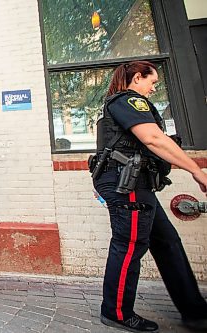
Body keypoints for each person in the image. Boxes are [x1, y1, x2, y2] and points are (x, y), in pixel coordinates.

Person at [92, 60, 207, 332]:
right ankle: (116, 311)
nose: (154, 88)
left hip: (138, 184)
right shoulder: (128, 101)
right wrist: (196, 170)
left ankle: (193, 308)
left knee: (167, 241)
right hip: (128, 183)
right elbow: (152, 138)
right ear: (137, 79)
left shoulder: (126, 103)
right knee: (129, 244)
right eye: (152, 81)